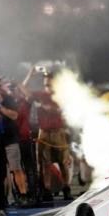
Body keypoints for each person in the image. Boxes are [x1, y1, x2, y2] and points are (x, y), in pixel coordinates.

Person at [23, 66, 72, 200]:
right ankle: (47, 190)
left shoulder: (60, 94)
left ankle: (66, 188)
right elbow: (23, 89)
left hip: (58, 132)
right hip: (44, 132)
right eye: (46, 79)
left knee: (63, 162)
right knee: (46, 163)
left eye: (49, 79)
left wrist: (43, 107)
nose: (47, 81)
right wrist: (30, 75)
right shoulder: (40, 94)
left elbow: (58, 108)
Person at [0, 84, 29, 205]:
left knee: (16, 169)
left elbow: (15, 115)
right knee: (2, 172)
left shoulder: (9, 100)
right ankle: (5, 197)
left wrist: (0, 108)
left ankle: (23, 194)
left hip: (11, 140)